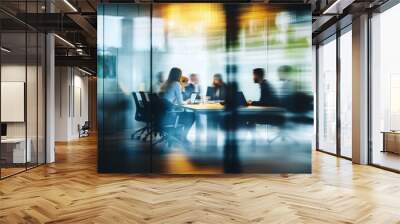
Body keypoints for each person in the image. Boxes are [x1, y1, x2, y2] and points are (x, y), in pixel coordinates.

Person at [160, 68, 194, 143]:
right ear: (179, 75)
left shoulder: (166, 83)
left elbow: (170, 99)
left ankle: (178, 134)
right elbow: (180, 103)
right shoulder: (176, 84)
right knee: (191, 116)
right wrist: (187, 102)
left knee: (185, 113)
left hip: (164, 112)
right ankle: (183, 137)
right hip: (169, 114)